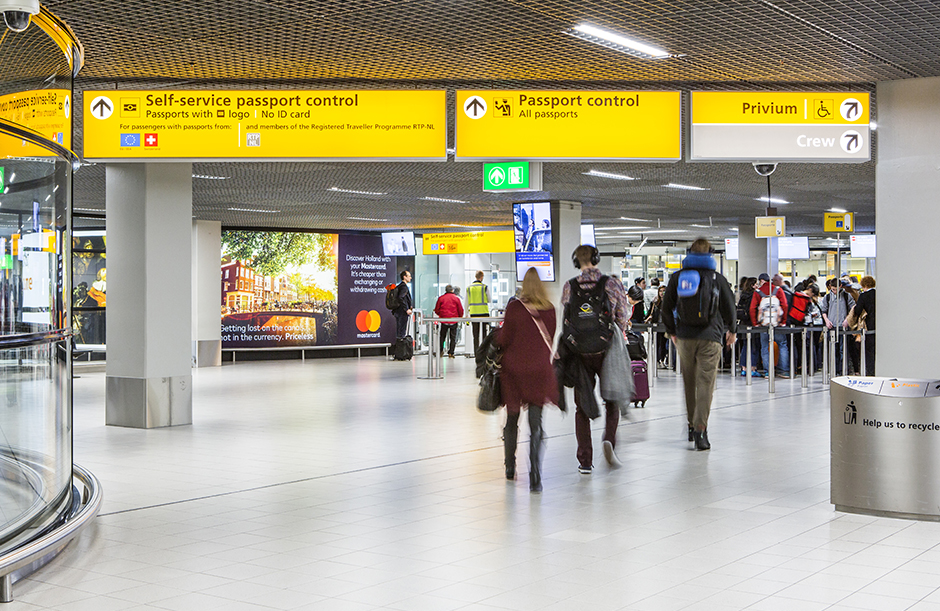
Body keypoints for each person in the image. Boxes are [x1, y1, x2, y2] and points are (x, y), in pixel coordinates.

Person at [560, 245, 630, 474]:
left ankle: (585, 461)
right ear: (597, 259)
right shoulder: (611, 283)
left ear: (576, 262)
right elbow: (622, 314)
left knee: (582, 407)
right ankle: (609, 439)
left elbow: (567, 319)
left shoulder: (569, 286)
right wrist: (615, 335)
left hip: (580, 351)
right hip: (606, 348)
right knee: (611, 397)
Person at [662, 239, 737, 451]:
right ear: (710, 255)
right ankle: (701, 430)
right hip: (711, 336)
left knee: (689, 381)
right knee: (706, 383)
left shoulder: (677, 277)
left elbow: (666, 308)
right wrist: (732, 330)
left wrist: (672, 332)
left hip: (685, 336)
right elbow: (729, 307)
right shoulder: (717, 278)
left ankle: (690, 425)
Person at [497, 268, 558, 493]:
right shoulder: (550, 309)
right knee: (536, 423)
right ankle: (535, 475)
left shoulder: (514, 307)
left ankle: (510, 467)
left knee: (512, 418)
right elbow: (550, 337)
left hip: (513, 371)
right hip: (540, 371)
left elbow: (504, 338)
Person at [749, 273, 790, 378]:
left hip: (764, 324)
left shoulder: (758, 292)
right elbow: (785, 305)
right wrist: (783, 321)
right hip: (777, 324)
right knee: (782, 345)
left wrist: (755, 323)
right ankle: (784, 371)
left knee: (764, 347)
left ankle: (768, 372)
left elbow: (752, 308)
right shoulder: (778, 290)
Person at [820, 277, 856, 374]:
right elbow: (824, 310)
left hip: (843, 326)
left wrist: (847, 320)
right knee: (833, 349)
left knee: (842, 350)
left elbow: (853, 308)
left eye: (836, 289)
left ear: (840, 286)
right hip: (832, 327)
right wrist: (827, 321)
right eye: (833, 289)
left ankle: (842, 370)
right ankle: (834, 369)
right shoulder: (827, 297)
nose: (834, 291)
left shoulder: (846, 296)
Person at [850, 276, 876, 375]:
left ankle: (870, 372)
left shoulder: (863, 296)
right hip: (878, 325)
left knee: (868, 351)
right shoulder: (877, 294)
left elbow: (858, 310)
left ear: (864, 285)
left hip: (868, 326)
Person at [433, 285, 463, 358]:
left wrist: (441, 314)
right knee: (453, 337)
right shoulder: (456, 299)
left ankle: (440, 351)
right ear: (452, 290)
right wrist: (459, 316)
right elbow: (460, 310)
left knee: (442, 336)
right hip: (453, 320)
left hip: (444, 320)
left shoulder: (441, 298)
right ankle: (451, 352)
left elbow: (436, 309)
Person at [466, 271, 491, 355]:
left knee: (475, 335)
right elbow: (489, 299)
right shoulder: (485, 287)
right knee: (484, 333)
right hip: (484, 312)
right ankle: (484, 352)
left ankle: (476, 353)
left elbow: (466, 302)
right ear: (482, 277)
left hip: (474, 313)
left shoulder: (469, 288)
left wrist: (466, 313)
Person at [393, 270, 413, 340]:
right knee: (401, 332)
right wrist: (406, 309)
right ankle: (401, 348)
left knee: (399, 331)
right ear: (404, 277)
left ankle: (399, 347)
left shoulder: (399, 286)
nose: (410, 278)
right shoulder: (404, 287)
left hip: (398, 311)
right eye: (409, 276)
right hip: (402, 312)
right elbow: (401, 298)